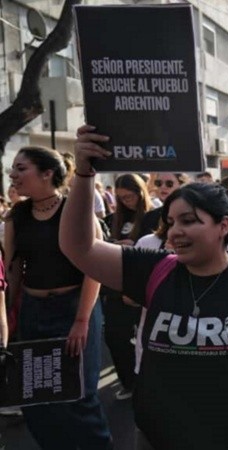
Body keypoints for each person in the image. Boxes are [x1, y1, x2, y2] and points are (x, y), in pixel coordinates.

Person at [61, 125, 228, 450]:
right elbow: (78, 247)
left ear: (223, 226)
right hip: (159, 438)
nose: (175, 231)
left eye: (189, 220)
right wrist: (83, 173)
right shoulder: (152, 269)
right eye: (172, 222)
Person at [5, 146, 111, 449]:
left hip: (75, 310)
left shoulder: (76, 209)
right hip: (33, 312)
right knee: (36, 396)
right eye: (13, 168)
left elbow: (95, 269)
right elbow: (12, 271)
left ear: (47, 173)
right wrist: (7, 319)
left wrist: (81, 320)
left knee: (80, 394)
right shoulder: (17, 216)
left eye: (21, 168)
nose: (13, 175)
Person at [103, 173, 154, 401]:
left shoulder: (153, 218)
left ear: (140, 192)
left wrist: (133, 247)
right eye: (122, 198)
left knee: (146, 340)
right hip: (116, 286)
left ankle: (146, 382)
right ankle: (129, 381)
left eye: (130, 196)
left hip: (142, 287)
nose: (127, 201)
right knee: (115, 337)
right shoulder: (112, 219)